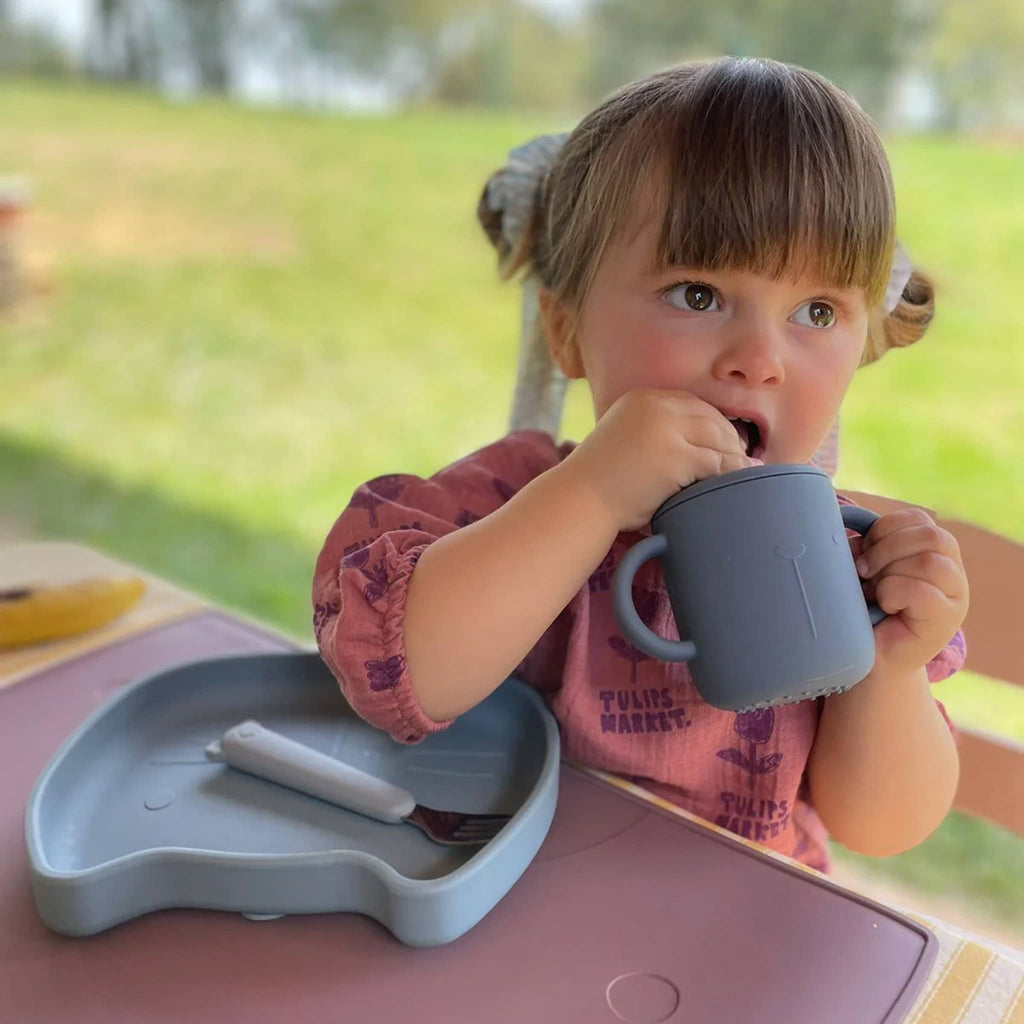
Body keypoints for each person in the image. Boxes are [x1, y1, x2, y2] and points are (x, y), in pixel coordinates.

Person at [312, 56, 969, 873]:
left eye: (816, 311)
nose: (759, 360)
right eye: (697, 294)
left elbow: (884, 826)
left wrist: (893, 667)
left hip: (738, 929)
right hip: (514, 897)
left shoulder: (838, 561)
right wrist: (588, 497)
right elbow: (400, 681)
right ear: (565, 330)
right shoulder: (516, 498)